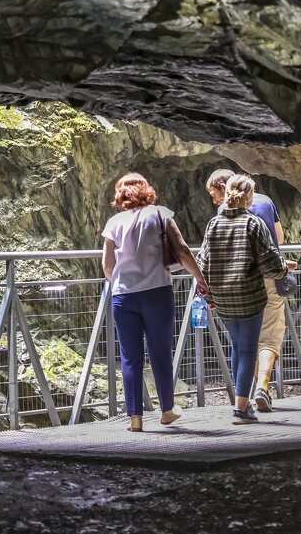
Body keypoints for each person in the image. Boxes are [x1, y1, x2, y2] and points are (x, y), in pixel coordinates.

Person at [102, 173, 209, 432]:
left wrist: (121, 283)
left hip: (123, 297)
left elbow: (107, 265)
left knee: (130, 358)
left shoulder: (114, 222)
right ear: (146, 190)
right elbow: (182, 250)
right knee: (160, 352)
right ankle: (167, 410)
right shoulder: (161, 213)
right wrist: (201, 279)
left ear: (121, 195)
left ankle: (135, 418)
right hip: (157, 292)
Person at [197, 173, 289, 424]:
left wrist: (208, 294)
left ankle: (242, 401)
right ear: (249, 197)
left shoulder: (214, 224)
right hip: (249, 295)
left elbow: (203, 262)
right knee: (248, 350)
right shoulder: (253, 224)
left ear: (227, 194)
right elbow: (269, 261)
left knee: (238, 347)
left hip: (224, 299)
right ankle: (240, 409)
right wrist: (285, 269)